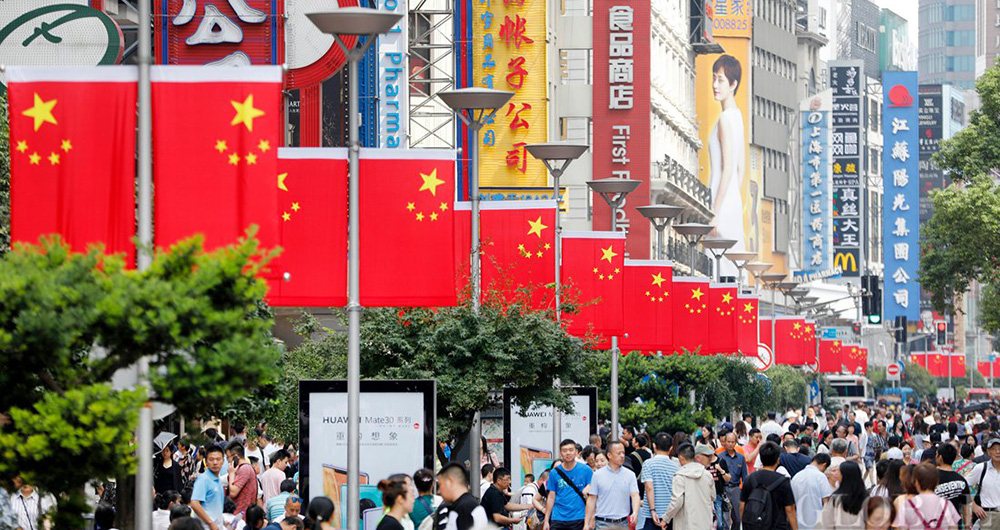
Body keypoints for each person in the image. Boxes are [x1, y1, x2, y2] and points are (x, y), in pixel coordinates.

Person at [706, 53, 747, 257]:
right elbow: (740, 169)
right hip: (732, 202)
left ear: (733, 85)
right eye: (714, 78)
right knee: (732, 266)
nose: (715, 84)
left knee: (715, 268)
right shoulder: (737, 117)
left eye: (721, 80)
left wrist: (714, 212)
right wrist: (732, 198)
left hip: (720, 201)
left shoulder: (724, 119)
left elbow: (728, 167)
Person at [739, 441, 796, 530]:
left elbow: (742, 506)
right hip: (777, 526)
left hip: (754, 526)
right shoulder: (783, 481)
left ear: (761, 458)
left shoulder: (750, 479)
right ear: (778, 459)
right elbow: (790, 510)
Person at [585, 442, 640, 530]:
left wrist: (635, 513)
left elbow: (635, 495)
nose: (622, 456)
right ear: (609, 455)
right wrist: (586, 523)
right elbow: (592, 499)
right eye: (618, 453)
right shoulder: (597, 475)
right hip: (602, 523)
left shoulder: (630, 475)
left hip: (623, 523)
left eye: (623, 453)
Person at [893, 463, 960, 529]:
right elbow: (954, 528)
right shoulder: (947, 504)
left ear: (917, 482)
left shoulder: (907, 505)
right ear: (936, 482)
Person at [544, 440, 593, 530]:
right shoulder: (554, 473)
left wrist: (589, 521)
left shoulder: (586, 470)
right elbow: (551, 497)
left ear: (577, 452)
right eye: (565, 450)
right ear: (560, 454)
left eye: (571, 450)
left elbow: (592, 497)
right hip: (558, 518)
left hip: (579, 517)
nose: (568, 453)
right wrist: (546, 520)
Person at [663, 444, 714, 529]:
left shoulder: (680, 476)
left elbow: (676, 502)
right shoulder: (707, 474)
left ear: (681, 457)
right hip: (705, 523)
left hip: (685, 524)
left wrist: (666, 518)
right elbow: (713, 496)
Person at [637, 433, 679, 530]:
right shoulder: (675, 467)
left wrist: (652, 510)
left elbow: (649, 487)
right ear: (671, 448)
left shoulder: (648, 464)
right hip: (669, 514)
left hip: (652, 515)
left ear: (654, 446)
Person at [435, 463, 488, 530]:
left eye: (440, 484)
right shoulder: (464, 505)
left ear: (450, 481)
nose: (438, 491)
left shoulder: (465, 508)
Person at [791, 453, 832, 530]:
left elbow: (792, 503)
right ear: (824, 465)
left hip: (799, 522)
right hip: (817, 522)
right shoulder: (820, 476)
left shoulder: (797, 476)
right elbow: (826, 501)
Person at [820, 461, 867, 529]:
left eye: (839, 472)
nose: (836, 474)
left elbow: (827, 524)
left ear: (844, 475)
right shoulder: (866, 497)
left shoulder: (836, 499)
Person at [934, 443, 970, 529]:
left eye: (936, 454)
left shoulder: (931, 477)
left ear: (940, 457)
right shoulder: (962, 480)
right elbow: (967, 508)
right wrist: (967, 525)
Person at [191, 444, 227, 530]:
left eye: (218, 459)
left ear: (223, 461)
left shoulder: (218, 480)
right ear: (206, 462)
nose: (215, 462)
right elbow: (194, 503)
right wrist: (210, 523)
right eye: (211, 459)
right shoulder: (203, 479)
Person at [695, 444, 731, 530]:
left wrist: (721, 470)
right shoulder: (701, 465)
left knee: (719, 523)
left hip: (717, 494)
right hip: (704, 495)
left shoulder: (721, 461)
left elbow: (728, 479)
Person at [967, 436, 1000, 529]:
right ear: (988, 452)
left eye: (999, 449)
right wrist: (973, 506)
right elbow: (963, 486)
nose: (997, 452)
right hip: (987, 515)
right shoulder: (981, 468)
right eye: (994, 449)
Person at [717, 432, 747, 530]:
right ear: (724, 442)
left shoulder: (741, 458)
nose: (730, 444)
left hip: (735, 489)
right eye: (728, 441)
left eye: (732, 442)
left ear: (736, 443)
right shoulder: (719, 456)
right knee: (723, 518)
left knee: (737, 518)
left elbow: (745, 476)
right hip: (723, 489)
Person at [225, 442, 258, 517]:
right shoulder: (239, 468)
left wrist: (231, 473)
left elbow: (233, 493)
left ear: (235, 457)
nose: (227, 461)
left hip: (242, 514)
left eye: (228, 457)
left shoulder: (244, 469)